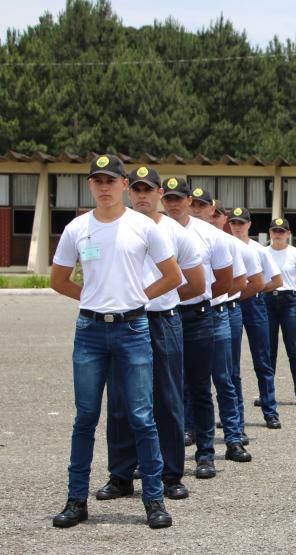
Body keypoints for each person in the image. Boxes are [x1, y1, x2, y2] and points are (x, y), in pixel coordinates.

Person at [49, 154, 181, 529]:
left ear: (124, 185)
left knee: (142, 416)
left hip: (133, 329)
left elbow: (172, 276)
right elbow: (58, 279)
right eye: (98, 180)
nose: (104, 187)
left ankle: (153, 500)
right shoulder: (77, 228)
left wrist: (138, 298)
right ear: (90, 185)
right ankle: (76, 500)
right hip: (90, 332)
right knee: (85, 418)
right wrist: (92, 298)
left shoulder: (143, 226)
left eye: (111, 181)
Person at [97, 167, 204, 504]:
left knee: (167, 400)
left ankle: (170, 475)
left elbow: (196, 284)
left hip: (162, 322)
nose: (142, 196)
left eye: (149, 190)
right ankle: (121, 475)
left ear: (160, 193)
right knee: (120, 400)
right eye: (137, 189)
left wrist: (157, 300)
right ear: (129, 191)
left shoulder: (175, 232)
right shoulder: (115, 228)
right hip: (123, 323)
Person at [161, 177, 244, 479]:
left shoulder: (211, 235)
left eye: (180, 199)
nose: (175, 204)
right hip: (163, 316)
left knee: (200, 387)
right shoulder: (152, 230)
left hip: (197, 316)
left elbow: (225, 281)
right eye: (169, 198)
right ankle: (165, 457)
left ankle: (206, 454)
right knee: (166, 390)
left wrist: (198, 298)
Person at [185, 188, 251, 462]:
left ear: (212, 209)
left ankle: (233, 438)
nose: (198, 210)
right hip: (188, 313)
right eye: (195, 205)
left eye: (203, 206)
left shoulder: (224, 240)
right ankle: (190, 429)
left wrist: (205, 296)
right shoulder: (177, 235)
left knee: (224, 378)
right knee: (189, 380)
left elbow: (240, 281)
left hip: (217, 313)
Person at [210, 200, 265, 445]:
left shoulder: (236, 245)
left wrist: (226, 298)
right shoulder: (187, 237)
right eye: (209, 213)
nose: (212, 218)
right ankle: (191, 427)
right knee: (192, 377)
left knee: (229, 373)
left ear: (223, 219)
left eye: (217, 215)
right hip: (193, 313)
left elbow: (254, 282)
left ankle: (236, 427)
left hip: (226, 311)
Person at [227, 207, 283, 429]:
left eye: (241, 223)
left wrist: (254, 290)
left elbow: (277, 280)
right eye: (233, 223)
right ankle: (233, 415)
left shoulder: (259, 250)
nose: (237, 227)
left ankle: (270, 411)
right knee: (230, 363)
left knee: (262, 359)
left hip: (253, 304)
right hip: (230, 304)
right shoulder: (225, 245)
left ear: (249, 225)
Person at [265, 217, 296, 406]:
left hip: (289, 303)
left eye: (281, 231)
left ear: (288, 234)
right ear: (270, 233)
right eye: (274, 231)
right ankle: (267, 394)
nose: (278, 234)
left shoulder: (295, 253)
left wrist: (292, 291)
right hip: (268, 301)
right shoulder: (263, 252)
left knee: (294, 349)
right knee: (268, 350)